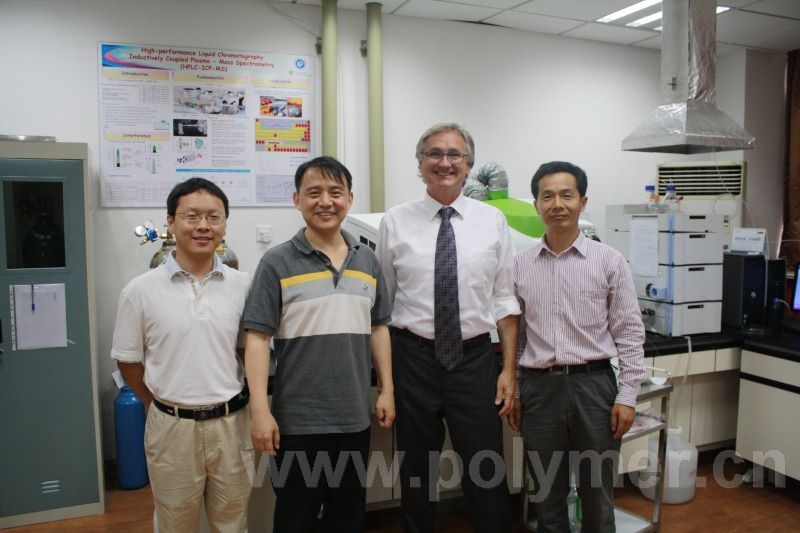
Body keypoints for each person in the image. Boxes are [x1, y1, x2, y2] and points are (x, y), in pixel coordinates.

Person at [377, 123, 520, 532]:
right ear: (420, 164)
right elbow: (384, 303)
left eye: (454, 154)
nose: (445, 162)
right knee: (416, 469)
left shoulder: (492, 221)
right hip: (413, 358)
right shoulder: (395, 222)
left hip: (474, 360)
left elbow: (505, 300)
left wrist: (509, 371)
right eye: (434, 154)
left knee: (485, 465)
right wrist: (388, 382)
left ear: (469, 165)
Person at [243, 156, 394, 532]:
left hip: (354, 418)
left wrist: (387, 390)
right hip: (298, 423)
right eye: (314, 193)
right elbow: (257, 338)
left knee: (349, 517)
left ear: (350, 199)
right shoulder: (276, 262)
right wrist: (260, 411)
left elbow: (379, 327)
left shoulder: (367, 260)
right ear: (297, 200)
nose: (325, 201)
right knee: (295, 518)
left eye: (335, 192)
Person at [510, 161, 646, 532]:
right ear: (536, 205)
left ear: (582, 202)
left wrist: (628, 396)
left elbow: (629, 333)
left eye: (566, 195)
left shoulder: (609, 261)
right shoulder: (519, 266)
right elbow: (518, 337)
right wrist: (518, 391)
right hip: (540, 390)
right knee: (546, 496)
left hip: (594, 387)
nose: (557, 204)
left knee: (597, 496)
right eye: (547, 196)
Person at [111, 177, 252, 532]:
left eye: (213, 217)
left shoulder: (244, 285)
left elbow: (247, 350)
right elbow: (128, 360)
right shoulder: (139, 291)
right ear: (171, 223)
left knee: (232, 522)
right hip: (171, 428)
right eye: (192, 216)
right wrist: (156, 405)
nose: (203, 226)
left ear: (224, 226)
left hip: (232, 425)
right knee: (175, 523)